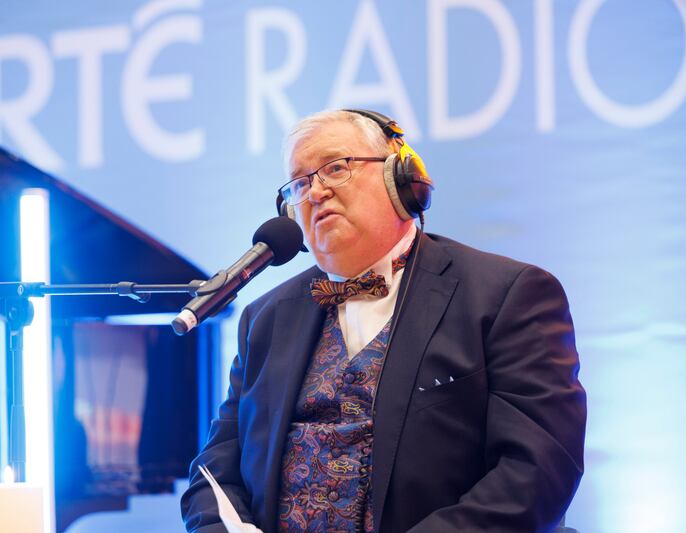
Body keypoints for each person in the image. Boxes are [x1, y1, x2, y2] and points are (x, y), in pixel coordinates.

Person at [181, 109, 587, 532]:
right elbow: (213, 474)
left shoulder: (507, 294)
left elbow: (538, 471)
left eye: (335, 168)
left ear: (401, 181)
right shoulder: (263, 319)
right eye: (300, 183)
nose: (316, 192)